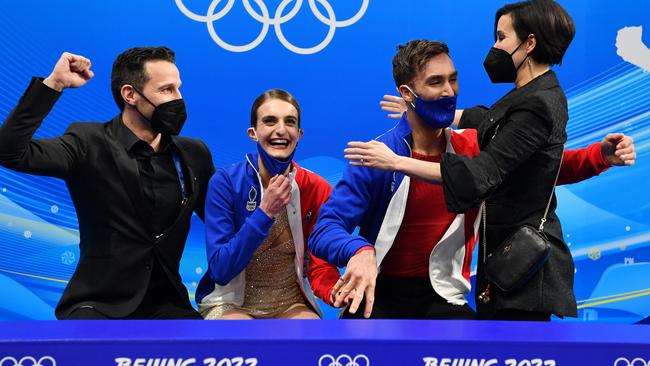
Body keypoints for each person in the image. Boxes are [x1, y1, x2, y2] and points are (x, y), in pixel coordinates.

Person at [341, 0, 635, 321]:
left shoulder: (537, 103)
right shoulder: (524, 96)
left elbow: (484, 172)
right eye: (435, 83)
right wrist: (427, 110)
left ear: (529, 43)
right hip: (499, 270)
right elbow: (495, 125)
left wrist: (396, 162)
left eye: (501, 37)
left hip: (523, 271)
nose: (494, 47)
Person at [0, 47, 215, 319]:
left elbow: (225, 224)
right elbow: (9, 152)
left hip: (170, 305)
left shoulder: (193, 154)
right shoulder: (88, 142)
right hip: (97, 304)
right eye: (167, 90)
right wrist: (54, 84)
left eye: (178, 89)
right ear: (130, 95)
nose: (178, 99)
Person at [196, 89, 341, 319]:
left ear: (299, 134)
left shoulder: (316, 187)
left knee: (310, 336)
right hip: (230, 303)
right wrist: (265, 212)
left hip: (291, 302)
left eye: (289, 122)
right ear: (253, 133)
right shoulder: (225, 182)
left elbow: (319, 264)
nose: (281, 130)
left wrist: (335, 291)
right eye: (270, 121)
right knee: (245, 337)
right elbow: (220, 270)